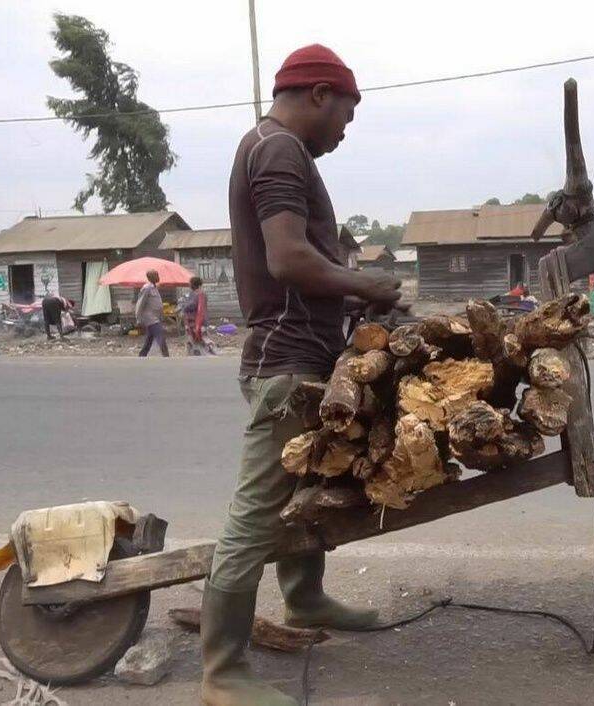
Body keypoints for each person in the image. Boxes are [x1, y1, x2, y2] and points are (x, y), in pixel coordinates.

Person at [203, 44, 402, 706]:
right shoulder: (279, 150)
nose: (346, 130)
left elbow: (303, 271)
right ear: (319, 95)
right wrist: (368, 280)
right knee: (256, 516)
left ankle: (305, 600)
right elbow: (288, 261)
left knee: (308, 489)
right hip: (285, 364)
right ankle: (222, 672)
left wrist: (354, 297)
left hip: (307, 358)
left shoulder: (277, 150)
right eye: (346, 114)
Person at [135, 269, 169, 357]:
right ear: (150, 277)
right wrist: (138, 318)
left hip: (156, 317)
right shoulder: (147, 288)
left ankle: (142, 355)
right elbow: (140, 304)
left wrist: (161, 316)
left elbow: (157, 304)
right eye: (156, 275)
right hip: (150, 318)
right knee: (160, 336)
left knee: (149, 339)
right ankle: (166, 356)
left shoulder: (154, 288)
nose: (158, 277)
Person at [180, 276, 215, 355]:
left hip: (195, 322)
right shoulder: (203, 294)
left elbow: (191, 305)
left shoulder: (195, 295)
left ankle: (200, 353)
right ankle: (206, 353)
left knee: (195, 338)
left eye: (190, 284)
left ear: (193, 285)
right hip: (203, 320)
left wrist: (183, 306)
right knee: (202, 337)